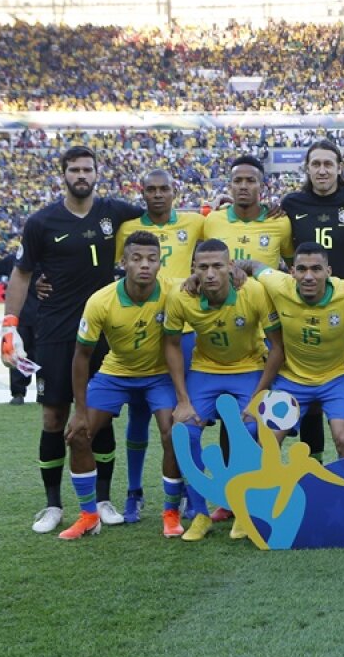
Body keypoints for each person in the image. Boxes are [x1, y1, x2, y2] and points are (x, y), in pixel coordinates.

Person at [1, 145, 142, 534]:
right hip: (56, 332)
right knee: (53, 417)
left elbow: (160, 213)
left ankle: (103, 500)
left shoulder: (114, 212)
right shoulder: (41, 221)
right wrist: (9, 326)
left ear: (98, 173)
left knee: (102, 415)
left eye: (88, 169)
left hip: (104, 332)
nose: (82, 175)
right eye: (75, 169)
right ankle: (52, 506)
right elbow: (23, 274)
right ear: (63, 174)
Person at [59, 232, 181, 540]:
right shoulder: (101, 300)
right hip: (116, 374)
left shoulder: (173, 293)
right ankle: (89, 515)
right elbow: (81, 357)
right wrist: (80, 410)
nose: (144, 265)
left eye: (152, 259)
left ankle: (170, 513)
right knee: (79, 434)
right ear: (123, 262)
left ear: (159, 263)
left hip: (159, 375)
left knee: (173, 432)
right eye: (137, 259)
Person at [164, 238, 285, 542]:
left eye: (218, 266)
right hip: (205, 371)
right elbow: (171, 345)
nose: (210, 274)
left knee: (250, 429)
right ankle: (199, 512)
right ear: (193, 270)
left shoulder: (253, 292)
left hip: (248, 369)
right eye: (203, 267)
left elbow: (278, 347)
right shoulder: (181, 297)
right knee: (184, 430)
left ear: (231, 267)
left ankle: (245, 510)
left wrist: (258, 396)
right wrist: (182, 400)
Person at [113, 169, 206, 523]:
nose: (157, 195)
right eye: (150, 189)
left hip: (182, 334)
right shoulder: (127, 230)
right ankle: (134, 491)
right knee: (138, 413)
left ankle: (180, 488)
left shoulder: (197, 223)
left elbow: (225, 244)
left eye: (163, 189)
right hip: (144, 331)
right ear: (141, 192)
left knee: (179, 415)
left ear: (174, 191)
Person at [281, 141, 344, 461]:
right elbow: (286, 254)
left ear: (340, 167)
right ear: (307, 169)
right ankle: (313, 463)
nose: (322, 170)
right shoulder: (291, 203)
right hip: (310, 310)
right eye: (316, 164)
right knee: (310, 399)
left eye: (328, 163)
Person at [238, 243, 344, 459]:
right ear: (292, 272)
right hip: (292, 380)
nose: (308, 276)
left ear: (328, 272)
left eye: (316, 269)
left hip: (337, 378)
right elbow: (254, 265)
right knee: (265, 442)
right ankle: (271, 491)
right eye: (301, 269)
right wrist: (232, 269)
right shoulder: (278, 284)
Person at [202, 155, 294, 268]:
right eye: (237, 181)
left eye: (250, 181)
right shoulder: (212, 220)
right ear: (230, 186)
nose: (243, 186)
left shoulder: (280, 222)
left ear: (261, 187)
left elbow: (293, 267)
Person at [0, 252, 37, 404]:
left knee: (18, 355)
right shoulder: (48, 255)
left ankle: (18, 394)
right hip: (41, 316)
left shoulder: (15, 259)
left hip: (22, 316)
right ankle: (44, 391)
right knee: (43, 356)